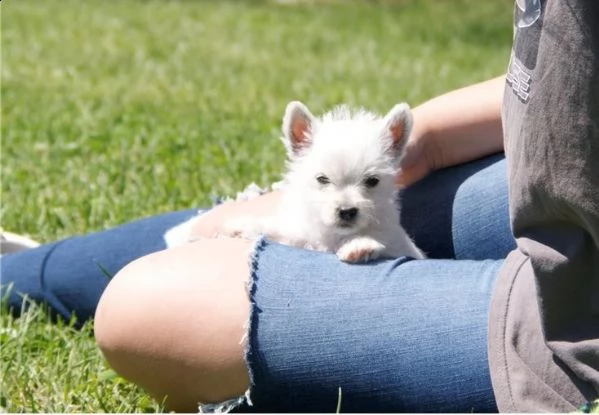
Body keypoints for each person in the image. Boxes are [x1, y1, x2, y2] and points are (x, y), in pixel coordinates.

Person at [2, 0, 598, 412]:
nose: (347, 202)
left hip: (575, 320)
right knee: (210, 227)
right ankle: (20, 270)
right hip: (564, 177)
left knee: (148, 306)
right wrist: (433, 142)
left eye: (367, 183)